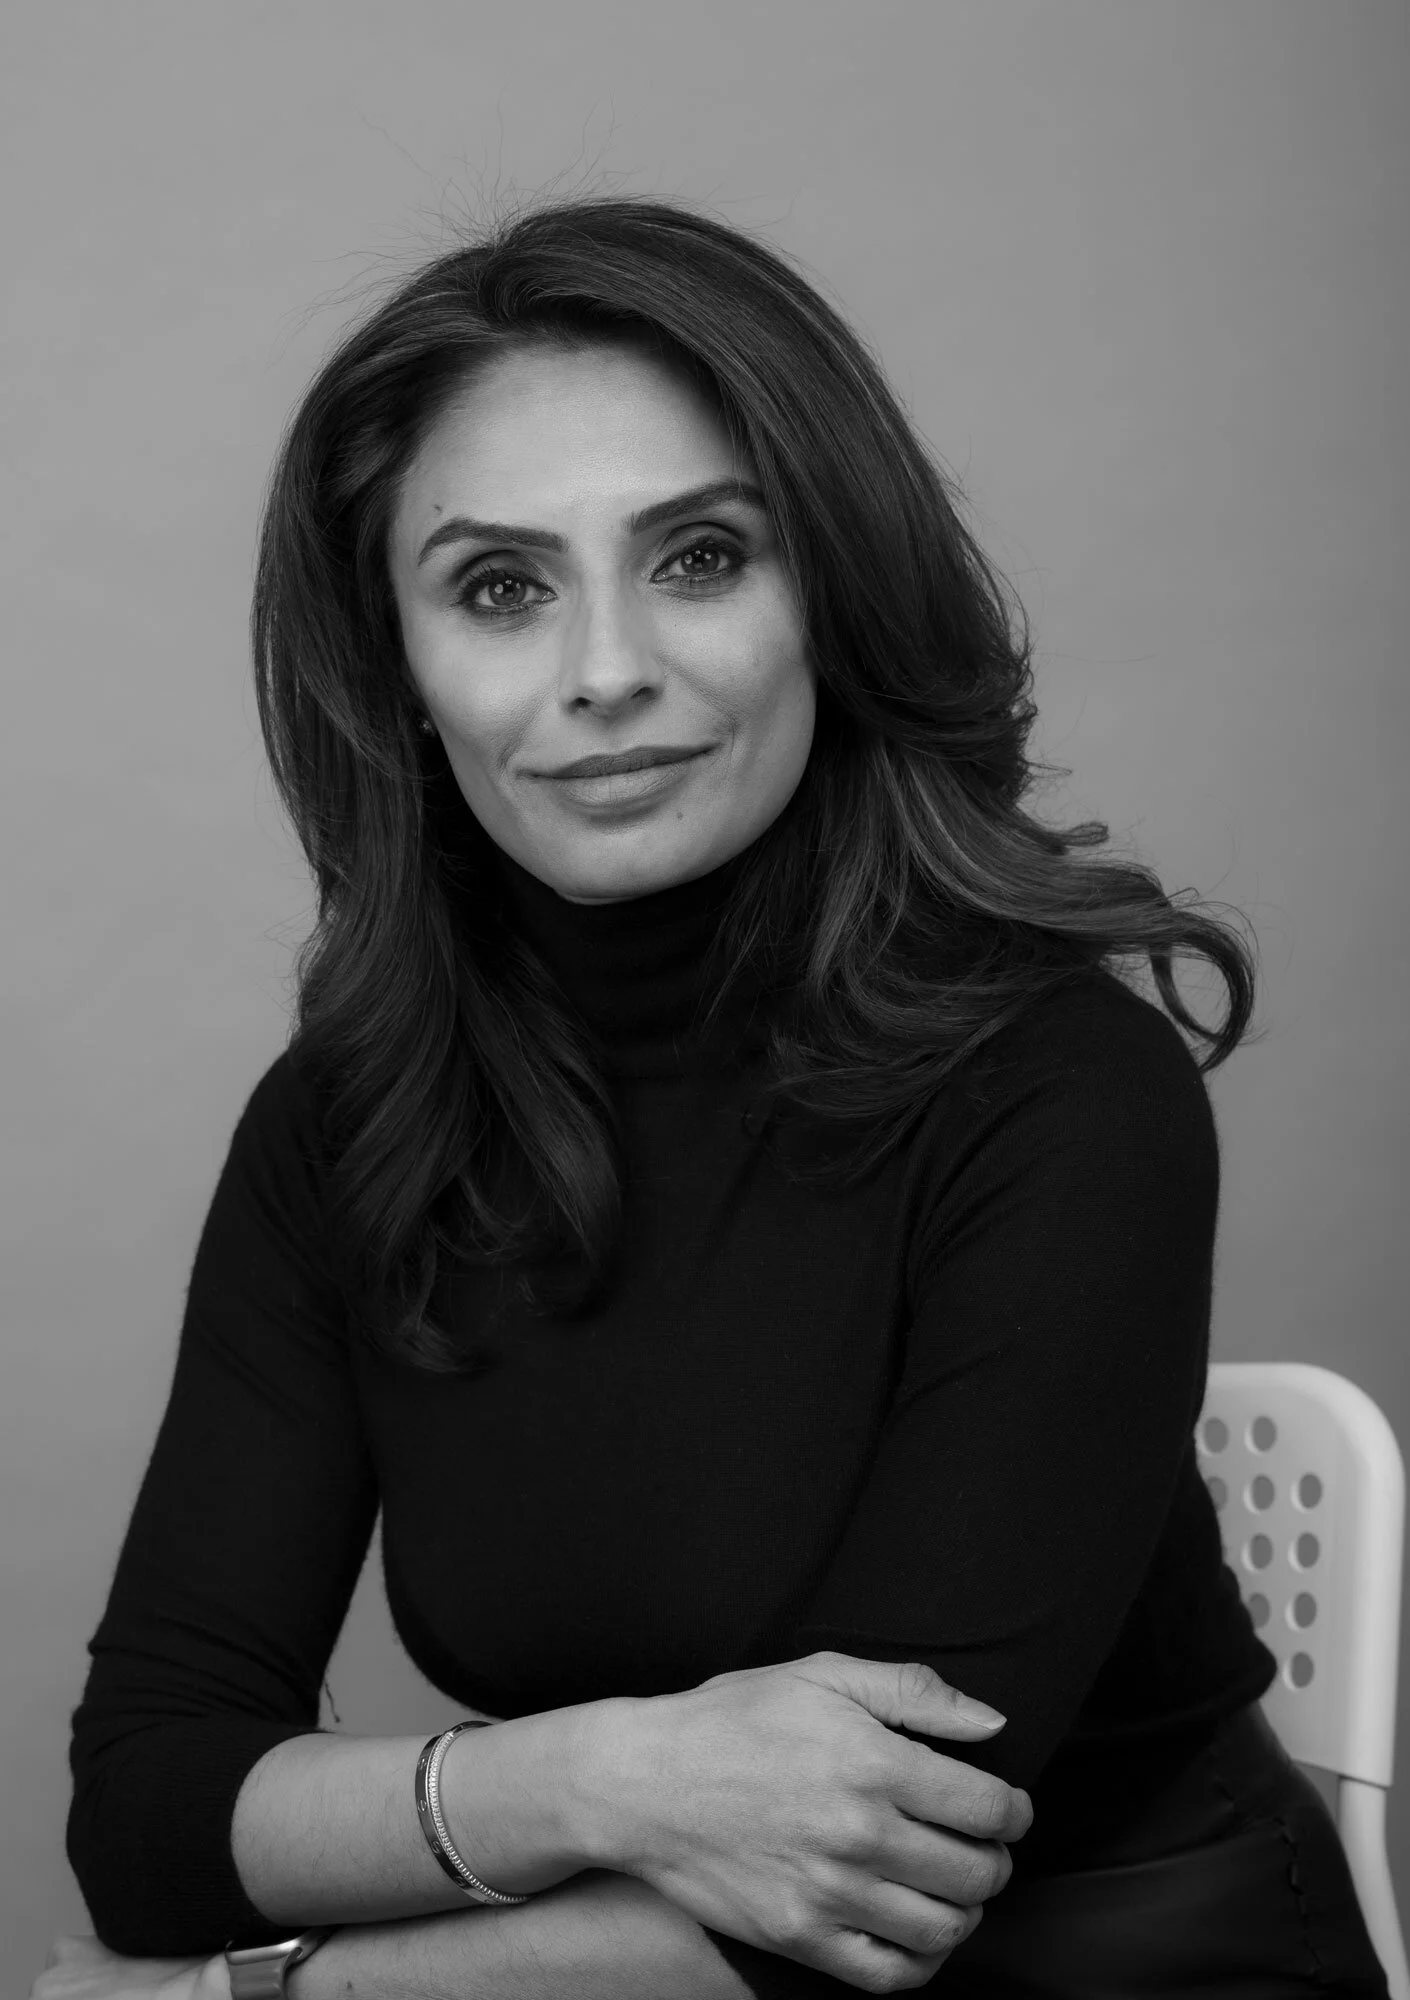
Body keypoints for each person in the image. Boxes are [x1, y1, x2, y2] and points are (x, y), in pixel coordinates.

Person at [47, 196, 1390, 1999]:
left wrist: (259, 1994)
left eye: (697, 557)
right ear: (396, 668)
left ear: (829, 596)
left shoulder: (1061, 1089)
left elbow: (869, 1870)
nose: (606, 671)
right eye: (500, 587)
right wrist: (599, 1779)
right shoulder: (346, 1130)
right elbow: (149, 1816)